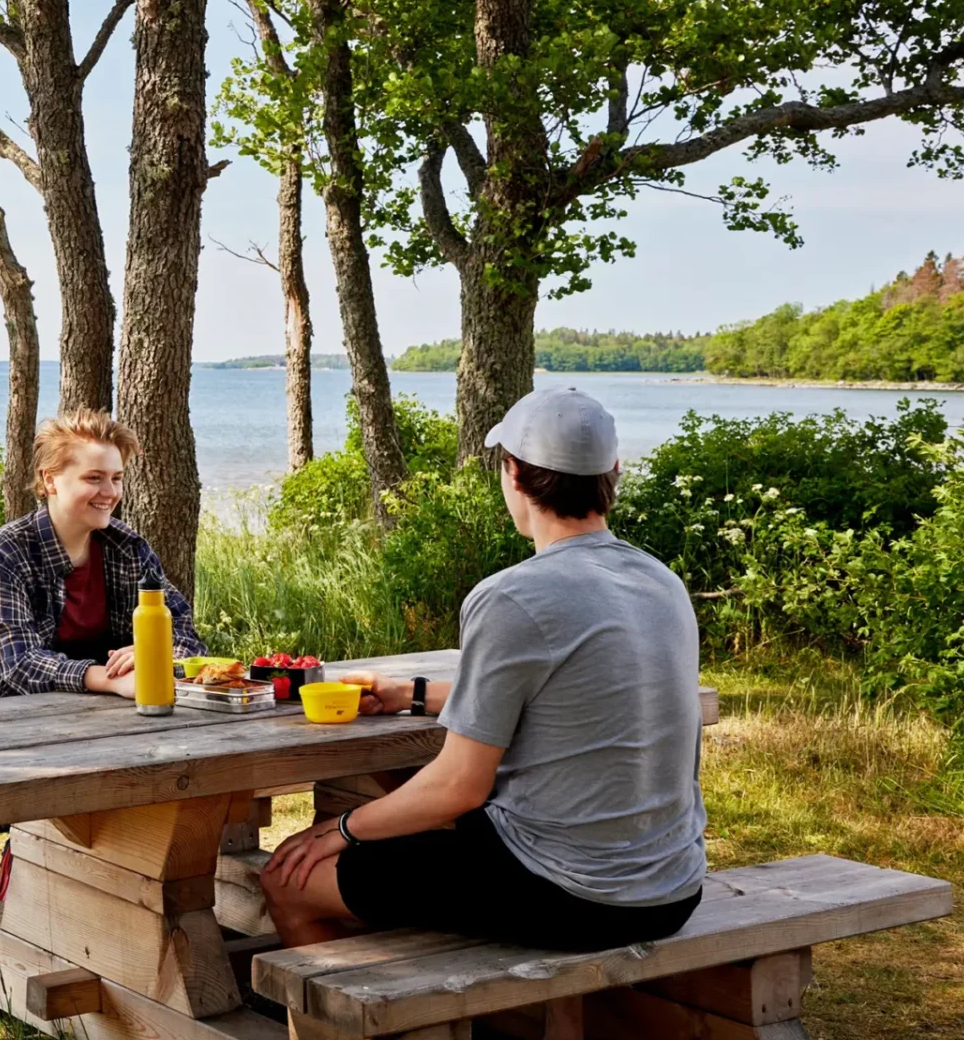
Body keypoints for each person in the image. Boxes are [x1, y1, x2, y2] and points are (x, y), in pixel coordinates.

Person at [260, 387, 707, 953]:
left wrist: (341, 831)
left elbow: (457, 787)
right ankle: (554, 1033)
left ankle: (358, 1036)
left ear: (513, 474)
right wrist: (412, 694)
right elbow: (560, 702)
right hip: (672, 887)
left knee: (288, 877)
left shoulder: (513, 597)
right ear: (612, 473)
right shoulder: (661, 581)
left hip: (568, 893)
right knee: (412, 826)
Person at [0, 410, 207, 702]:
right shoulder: (5, 552)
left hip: (97, 714)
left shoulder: (128, 549)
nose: (110, 492)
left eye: (116, 478)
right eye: (94, 478)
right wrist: (110, 679)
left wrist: (157, 652)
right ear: (51, 480)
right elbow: (18, 662)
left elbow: (183, 631)